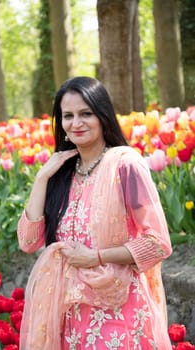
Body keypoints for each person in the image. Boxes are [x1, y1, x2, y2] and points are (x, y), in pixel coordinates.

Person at [17, 76, 173, 350]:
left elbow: (158, 244)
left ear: (102, 116)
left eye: (85, 113)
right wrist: (42, 178)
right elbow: (29, 242)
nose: (76, 123)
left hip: (118, 308)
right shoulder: (61, 173)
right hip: (68, 312)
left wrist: (96, 257)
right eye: (68, 116)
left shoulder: (125, 167)